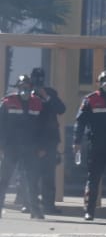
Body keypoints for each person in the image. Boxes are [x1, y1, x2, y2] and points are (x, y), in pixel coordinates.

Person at [73, 71, 106, 221]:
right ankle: (89, 210)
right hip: (97, 145)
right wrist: (76, 141)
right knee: (94, 179)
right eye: (104, 80)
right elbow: (80, 121)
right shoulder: (90, 99)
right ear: (99, 83)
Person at [0, 75, 47, 219]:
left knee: (32, 179)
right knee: (4, 178)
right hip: (11, 147)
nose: (24, 90)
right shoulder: (8, 102)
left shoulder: (37, 103)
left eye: (27, 87)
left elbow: (43, 127)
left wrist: (42, 146)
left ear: (31, 88)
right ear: (18, 88)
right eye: (22, 87)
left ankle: (35, 210)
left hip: (30, 148)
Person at [29, 67, 65, 215]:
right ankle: (30, 204)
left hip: (50, 140)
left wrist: (47, 97)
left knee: (48, 175)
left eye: (41, 77)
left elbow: (61, 109)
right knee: (31, 174)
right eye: (36, 77)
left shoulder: (50, 93)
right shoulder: (26, 94)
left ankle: (49, 205)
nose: (38, 80)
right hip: (32, 139)